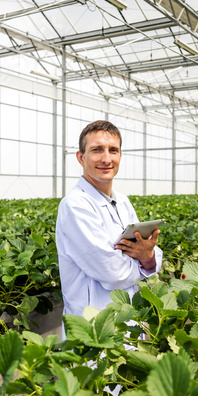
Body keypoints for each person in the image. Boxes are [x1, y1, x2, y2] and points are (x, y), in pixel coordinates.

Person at [55, 120, 163, 322]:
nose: (106, 159)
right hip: (93, 326)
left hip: (128, 320)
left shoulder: (122, 201)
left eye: (113, 150)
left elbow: (153, 254)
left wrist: (147, 257)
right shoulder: (75, 205)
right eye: (97, 150)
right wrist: (144, 263)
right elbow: (112, 273)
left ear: (120, 156)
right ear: (81, 157)